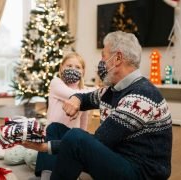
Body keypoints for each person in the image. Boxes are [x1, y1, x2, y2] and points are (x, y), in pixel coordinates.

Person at [23, 31, 172, 180]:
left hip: (141, 172)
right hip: (118, 156)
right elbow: (87, 97)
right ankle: (48, 174)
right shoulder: (113, 89)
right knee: (55, 127)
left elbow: (101, 140)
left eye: (103, 56)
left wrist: (45, 147)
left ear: (118, 58)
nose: (101, 62)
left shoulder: (140, 95)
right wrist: (77, 99)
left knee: (76, 138)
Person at [33, 52, 96, 179]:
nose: (73, 69)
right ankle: (47, 174)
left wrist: (81, 139)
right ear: (61, 68)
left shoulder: (84, 92)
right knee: (53, 130)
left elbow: (84, 119)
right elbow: (73, 95)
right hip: (53, 135)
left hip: (70, 138)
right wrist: (96, 91)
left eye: (77, 67)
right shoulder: (56, 84)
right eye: (69, 66)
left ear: (83, 71)